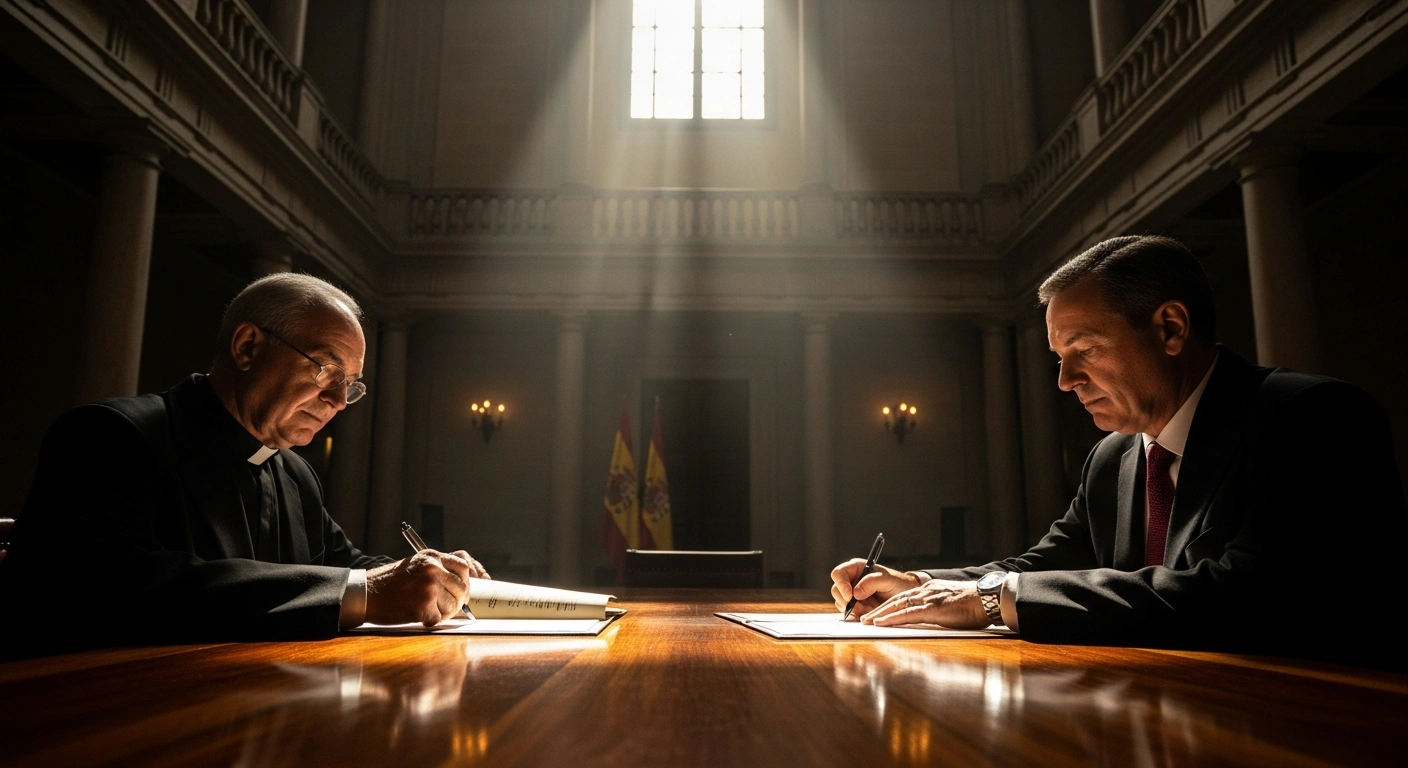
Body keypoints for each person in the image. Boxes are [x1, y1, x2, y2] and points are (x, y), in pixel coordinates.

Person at [831, 235, 1407, 666]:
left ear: (1171, 329)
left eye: (1082, 349)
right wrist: (921, 586)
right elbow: (1043, 569)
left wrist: (985, 599)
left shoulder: (1312, 418)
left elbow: (1250, 596)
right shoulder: (1114, 457)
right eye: (1059, 356)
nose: (1065, 380)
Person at [0, 274, 488, 648]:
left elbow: (343, 565)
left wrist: (433, 574)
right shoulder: (112, 435)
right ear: (248, 347)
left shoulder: (294, 473)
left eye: (351, 384)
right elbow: (107, 586)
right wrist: (367, 590)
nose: (340, 400)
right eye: (325, 369)